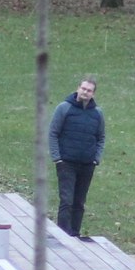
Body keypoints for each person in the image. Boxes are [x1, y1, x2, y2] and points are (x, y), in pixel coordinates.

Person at [49, 76, 105, 235]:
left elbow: (101, 137)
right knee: (66, 201)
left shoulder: (97, 113)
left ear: (93, 94)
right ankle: (62, 235)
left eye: (89, 90)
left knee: (79, 202)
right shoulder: (64, 108)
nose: (85, 92)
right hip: (66, 163)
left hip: (87, 164)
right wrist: (57, 158)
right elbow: (53, 133)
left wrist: (96, 159)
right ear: (78, 88)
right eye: (83, 89)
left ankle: (75, 234)